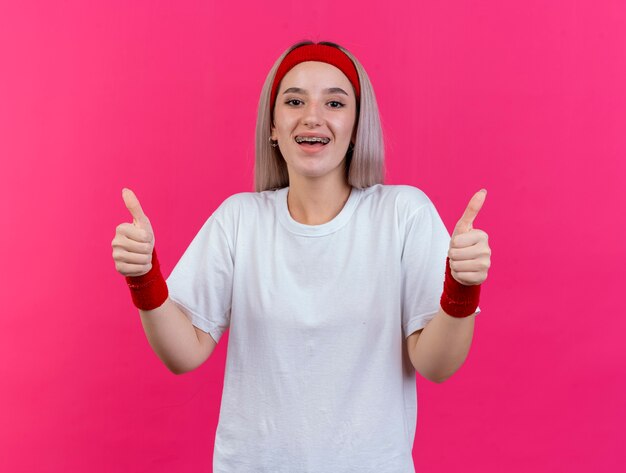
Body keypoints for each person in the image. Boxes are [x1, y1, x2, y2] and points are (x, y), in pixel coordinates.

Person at [112, 40, 492, 473]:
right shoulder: (240, 220)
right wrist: (144, 277)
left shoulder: (403, 214)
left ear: (356, 124)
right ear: (273, 126)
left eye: (334, 101)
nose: (313, 116)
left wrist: (461, 287)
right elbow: (183, 354)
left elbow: (436, 365)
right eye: (294, 100)